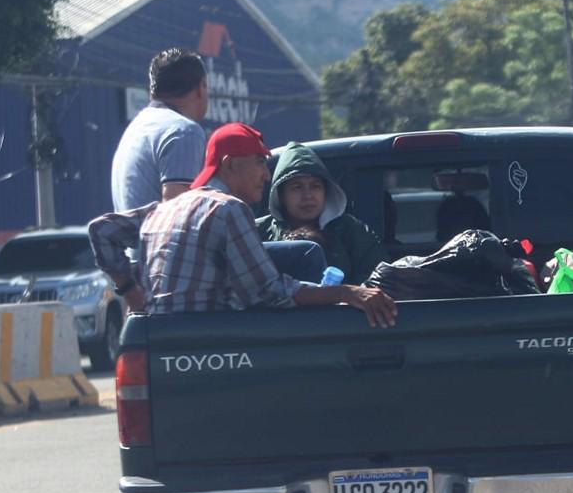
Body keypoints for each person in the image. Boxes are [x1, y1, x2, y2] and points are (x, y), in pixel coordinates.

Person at [89, 123, 397, 328]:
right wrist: (349, 293)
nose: (266, 174)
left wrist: (131, 293)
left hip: (162, 344)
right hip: (215, 352)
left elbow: (102, 230)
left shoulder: (165, 209)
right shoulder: (228, 209)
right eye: (260, 162)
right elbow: (271, 292)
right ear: (230, 165)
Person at [257, 142, 389, 285]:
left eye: (315, 186)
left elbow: (378, 281)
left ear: (327, 192)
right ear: (280, 195)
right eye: (297, 187)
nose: (308, 196)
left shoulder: (351, 231)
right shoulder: (257, 232)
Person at [110, 48, 209, 212]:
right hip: (157, 238)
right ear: (200, 87)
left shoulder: (136, 128)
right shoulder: (184, 131)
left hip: (131, 236)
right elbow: (178, 217)